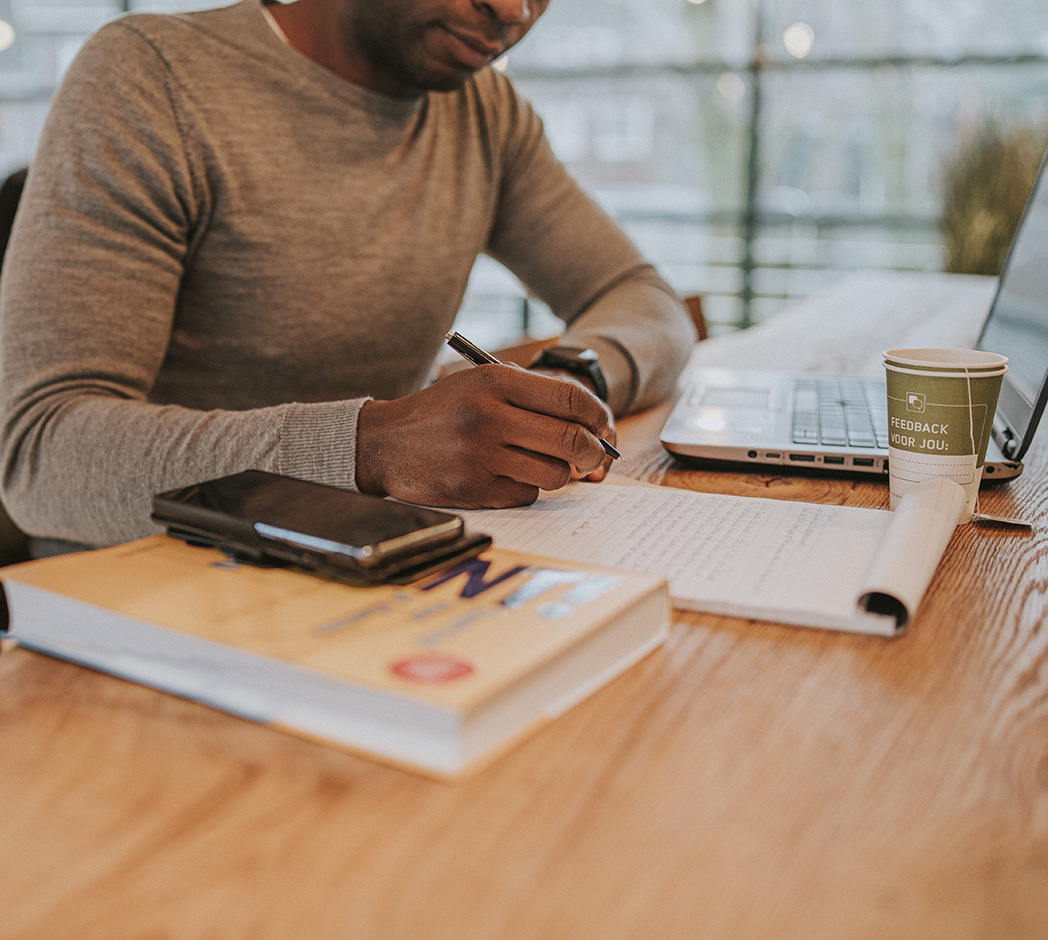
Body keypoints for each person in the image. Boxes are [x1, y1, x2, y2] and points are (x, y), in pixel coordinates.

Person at [0, 0, 695, 556]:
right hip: (142, 581)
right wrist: (367, 446)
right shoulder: (153, 77)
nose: (513, 11)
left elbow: (643, 299)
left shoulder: (485, 114)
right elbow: (42, 455)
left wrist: (573, 383)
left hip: (375, 555)